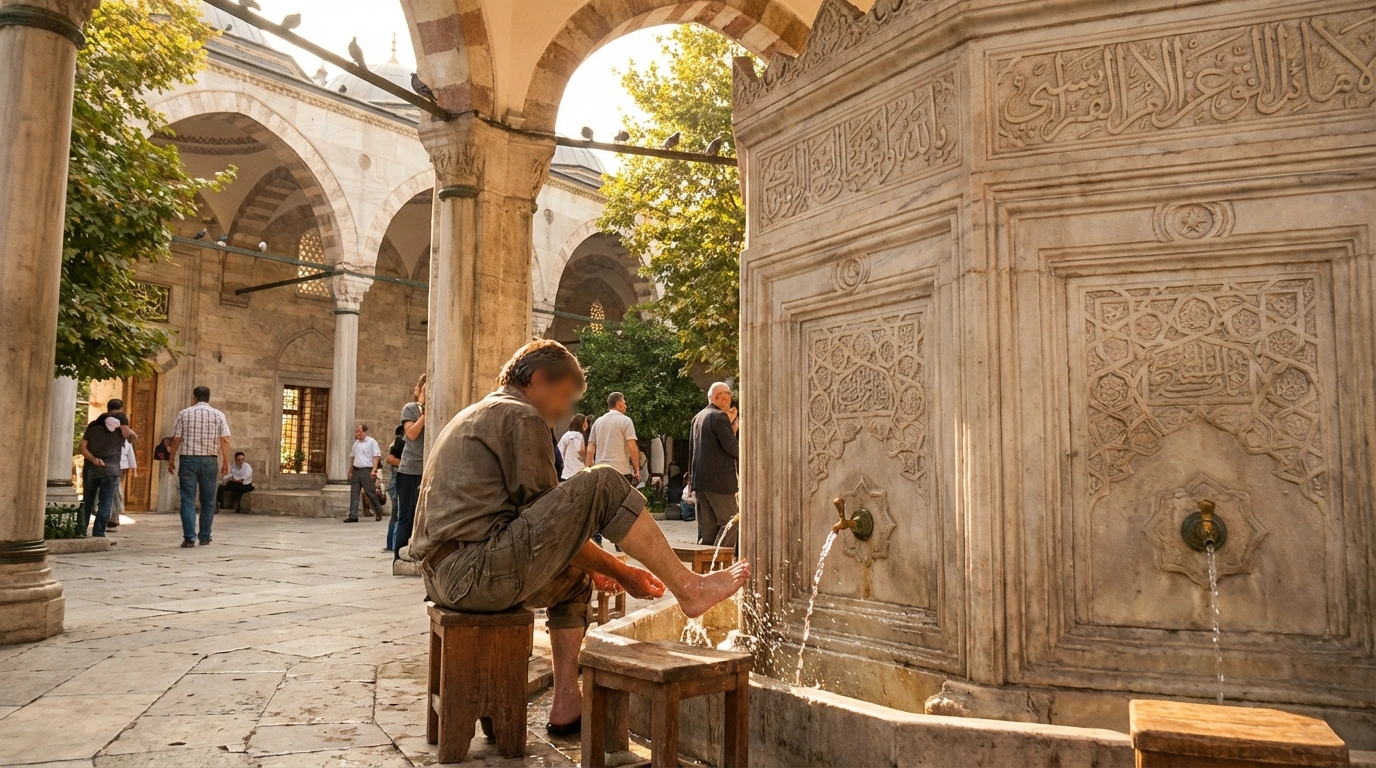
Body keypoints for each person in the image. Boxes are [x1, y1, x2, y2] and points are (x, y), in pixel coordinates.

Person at [412, 340, 749, 734]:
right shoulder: (520, 415)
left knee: (574, 581)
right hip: (474, 572)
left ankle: (567, 702)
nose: (564, 411)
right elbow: (549, 524)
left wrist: (599, 567)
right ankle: (689, 588)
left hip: (444, 575)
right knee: (604, 481)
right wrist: (623, 572)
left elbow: (545, 531)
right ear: (539, 379)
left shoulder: (481, 411)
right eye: (565, 397)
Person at [167, 386, 231, 547]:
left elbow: (176, 439)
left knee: (187, 499)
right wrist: (226, 461)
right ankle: (205, 536)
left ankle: (189, 538)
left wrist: (171, 459)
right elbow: (225, 440)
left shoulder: (184, 413)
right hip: (210, 460)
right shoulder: (218, 415)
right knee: (208, 500)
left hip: (188, 460)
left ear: (194, 398)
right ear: (208, 398)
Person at [689, 382, 740, 547]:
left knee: (708, 531)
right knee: (732, 523)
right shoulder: (719, 417)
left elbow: (695, 449)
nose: (728, 400)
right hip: (719, 482)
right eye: (726, 396)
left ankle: (706, 562)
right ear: (718, 398)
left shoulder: (698, 417)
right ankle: (718, 559)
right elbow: (732, 448)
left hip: (700, 482)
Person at [79, 399, 136, 538]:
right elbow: (132, 438)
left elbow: (82, 447)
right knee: (105, 503)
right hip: (111, 469)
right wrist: (126, 428)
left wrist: (93, 459)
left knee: (87, 501)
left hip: (91, 468)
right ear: (121, 409)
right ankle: (99, 533)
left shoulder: (93, 426)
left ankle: (80, 531)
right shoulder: (120, 429)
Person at [392, 374, 427, 559]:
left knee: (422, 516)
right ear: (419, 389)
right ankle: (399, 557)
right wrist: (425, 415)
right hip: (410, 470)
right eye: (426, 388)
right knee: (406, 515)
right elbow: (411, 434)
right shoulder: (410, 408)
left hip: (428, 469)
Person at [586, 392, 640, 484]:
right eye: (624, 403)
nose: (626, 406)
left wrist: (588, 469)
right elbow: (631, 445)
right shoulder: (625, 421)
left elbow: (590, 448)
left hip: (600, 470)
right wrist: (637, 469)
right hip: (620, 470)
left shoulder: (598, 422)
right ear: (619, 403)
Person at [344, 424, 383, 523]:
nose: (357, 433)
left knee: (370, 493)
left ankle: (378, 510)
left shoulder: (371, 442)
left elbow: (376, 456)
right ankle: (353, 515)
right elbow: (353, 458)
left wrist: (374, 470)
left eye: (359, 431)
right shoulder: (356, 444)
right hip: (356, 470)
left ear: (364, 432)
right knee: (354, 493)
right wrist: (350, 471)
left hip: (367, 470)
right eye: (356, 431)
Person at [108, 438, 138, 529]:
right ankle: (110, 516)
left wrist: (134, 468)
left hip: (121, 467)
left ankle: (114, 517)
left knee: (116, 491)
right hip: (109, 466)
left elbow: (130, 453)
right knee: (111, 492)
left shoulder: (126, 440)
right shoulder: (110, 437)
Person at [384, 424, 404, 552]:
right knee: (397, 514)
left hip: (396, 482)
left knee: (396, 515)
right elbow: (390, 459)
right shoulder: (399, 442)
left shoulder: (397, 442)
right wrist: (406, 464)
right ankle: (393, 544)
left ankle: (392, 544)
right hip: (397, 483)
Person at [557, 414, 588, 481]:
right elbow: (580, 453)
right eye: (585, 422)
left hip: (566, 472)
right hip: (577, 472)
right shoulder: (579, 436)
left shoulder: (566, 435)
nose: (586, 424)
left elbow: (560, 450)